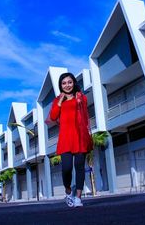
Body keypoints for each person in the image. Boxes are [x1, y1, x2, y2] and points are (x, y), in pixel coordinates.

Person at [49, 72, 93, 207]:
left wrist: (79, 101)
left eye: (69, 82)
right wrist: (61, 101)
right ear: (60, 85)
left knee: (79, 167)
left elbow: (85, 115)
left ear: (73, 82)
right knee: (66, 168)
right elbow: (53, 116)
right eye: (64, 83)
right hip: (66, 138)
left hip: (80, 136)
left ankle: (78, 198)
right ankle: (68, 191)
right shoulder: (57, 100)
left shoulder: (81, 97)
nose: (67, 85)